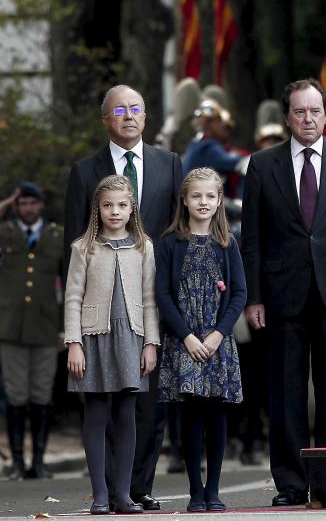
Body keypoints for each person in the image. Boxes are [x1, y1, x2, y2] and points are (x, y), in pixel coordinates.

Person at [241, 78, 326, 507]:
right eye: (299, 112)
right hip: (282, 296)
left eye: (315, 110)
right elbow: (254, 238)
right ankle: (291, 483)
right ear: (287, 118)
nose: (308, 119)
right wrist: (254, 296)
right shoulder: (263, 165)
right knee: (286, 393)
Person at [64, 84, 182, 511]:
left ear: (146, 117)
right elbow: (72, 251)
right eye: (120, 110)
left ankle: (137, 487)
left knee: (147, 402)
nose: (129, 116)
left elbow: (177, 234)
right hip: (98, 313)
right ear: (105, 119)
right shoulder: (84, 172)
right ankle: (107, 490)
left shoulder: (170, 164)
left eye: (136, 109)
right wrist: (71, 332)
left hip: (151, 302)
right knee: (102, 405)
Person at [64, 175, 159, 515]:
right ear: (97, 209)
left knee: (126, 415)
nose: (114, 211)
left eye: (121, 205)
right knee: (96, 413)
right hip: (93, 337)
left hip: (131, 337)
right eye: (108, 205)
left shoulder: (143, 246)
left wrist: (151, 343)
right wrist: (73, 342)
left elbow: (150, 299)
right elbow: (73, 297)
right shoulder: (83, 247)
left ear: (131, 208)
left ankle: (123, 493)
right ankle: (100, 494)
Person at [155, 167, 246, 512]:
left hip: (217, 341)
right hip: (185, 341)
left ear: (220, 200)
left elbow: (239, 292)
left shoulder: (227, 243)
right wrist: (188, 337)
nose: (203, 202)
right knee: (191, 415)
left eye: (210, 196)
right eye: (196, 196)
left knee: (216, 415)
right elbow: (162, 294)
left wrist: (220, 333)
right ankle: (195, 489)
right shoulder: (170, 243)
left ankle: (214, 489)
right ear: (184, 200)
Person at [0, 182, 64, 480]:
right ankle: (16, 462)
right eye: (22, 203)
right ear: (17, 205)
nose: (28, 208)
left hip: (46, 328)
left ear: (41, 204)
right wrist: (6, 202)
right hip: (10, 327)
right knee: (16, 395)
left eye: (32, 202)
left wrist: (66, 329)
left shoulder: (56, 236)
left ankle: (38, 461)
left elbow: (70, 284)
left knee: (40, 394)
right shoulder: (6, 233)